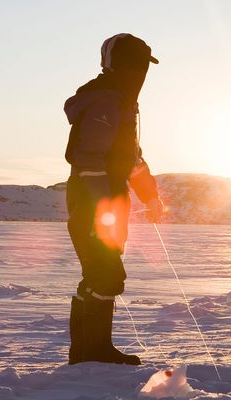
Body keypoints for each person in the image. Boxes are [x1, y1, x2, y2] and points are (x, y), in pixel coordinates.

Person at [63, 33, 163, 365]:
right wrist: (103, 205)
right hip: (93, 202)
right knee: (105, 273)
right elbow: (88, 158)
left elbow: (131, 160)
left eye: (143, 67)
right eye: (135, 65)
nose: (141, 74)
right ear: (115, 65)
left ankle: (91, 351)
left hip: (109, 204)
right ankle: (90, 352)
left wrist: (151, 197)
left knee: (100, 274)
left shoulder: (123, 103)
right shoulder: (106, 100)